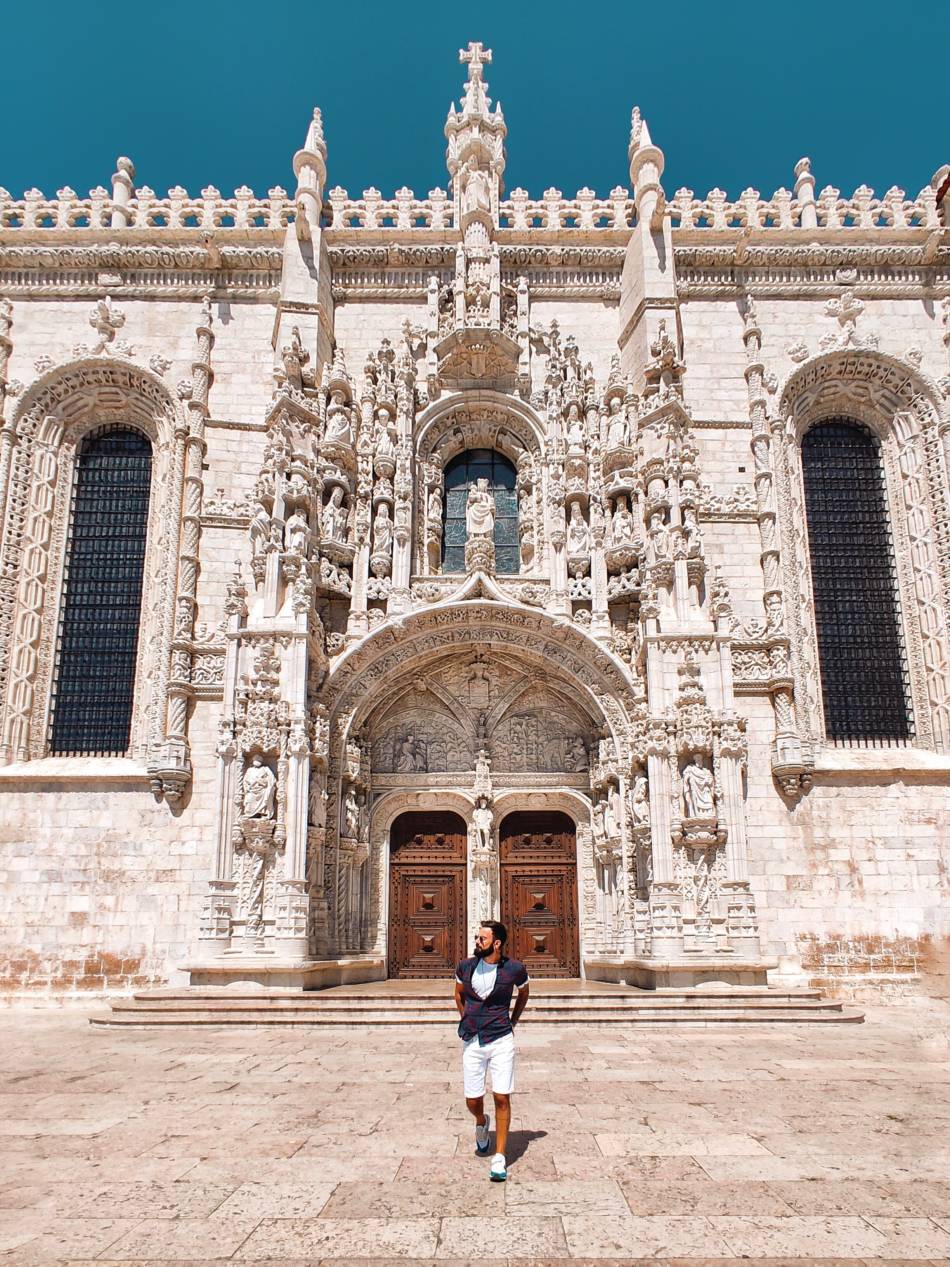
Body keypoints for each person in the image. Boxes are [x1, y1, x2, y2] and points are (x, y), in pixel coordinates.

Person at [454, 921, 530, 1182]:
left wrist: (513, 1020)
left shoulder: (514, 969)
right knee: (473, 1100)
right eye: (477, 937)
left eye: (482, 938)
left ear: (496, 943)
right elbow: (458, 994)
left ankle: (499, 1157)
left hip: (500, 1038)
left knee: (502, 1096)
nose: (477, 941)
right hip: (473, 1038)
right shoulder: (465, 966)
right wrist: (468, 1019)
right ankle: (480, 1121)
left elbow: (524, 992)